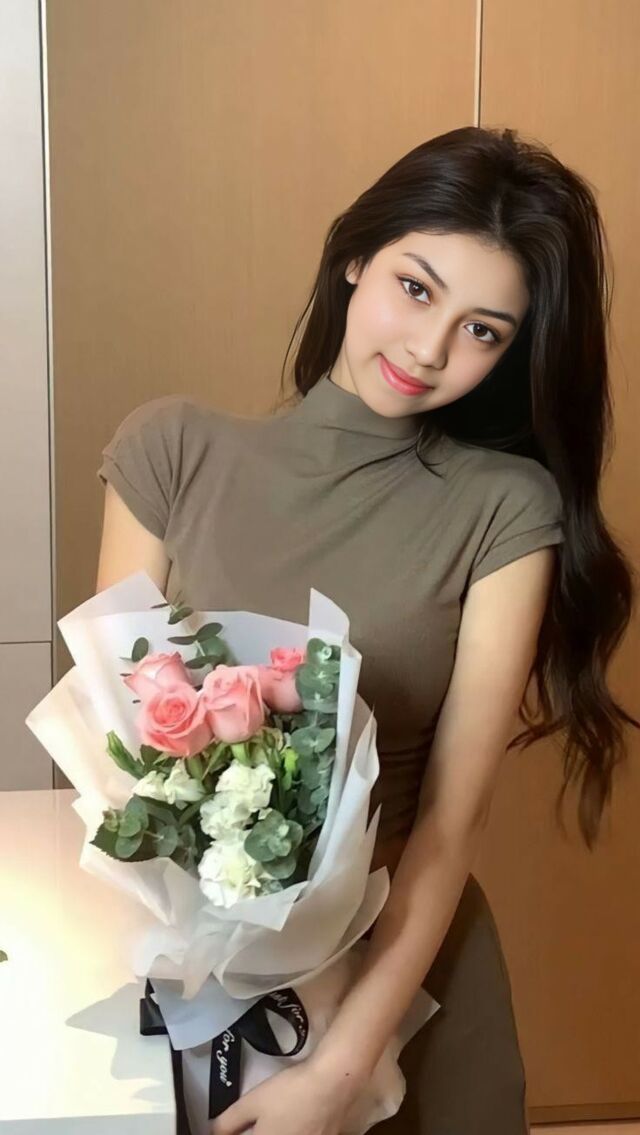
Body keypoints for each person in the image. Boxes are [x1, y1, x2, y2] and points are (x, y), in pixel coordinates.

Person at [95, 125, 638, 1135]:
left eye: (484, 331)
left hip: (398, 990)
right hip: (185, 972)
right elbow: (122, 752)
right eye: (416, 288)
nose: (430, 350)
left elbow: (451, 823)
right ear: (355, 257)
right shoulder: (171, 452)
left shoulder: (502, 507)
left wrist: (339, 1073)